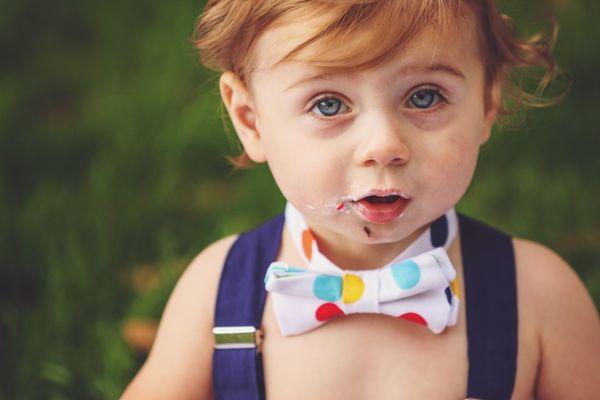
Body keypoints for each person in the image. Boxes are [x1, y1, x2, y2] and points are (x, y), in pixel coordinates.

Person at [121, 0, 600, 399]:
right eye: (328, 104)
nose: (384, 146)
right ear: (251, 120)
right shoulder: (220, 291)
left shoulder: (537, 295)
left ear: (486, 103)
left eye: (425, 96)